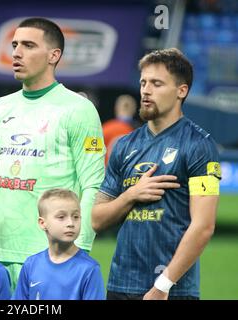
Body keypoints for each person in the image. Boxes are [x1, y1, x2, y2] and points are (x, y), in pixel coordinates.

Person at [0, 17, 105, 289]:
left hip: (50, 255)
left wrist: (78, 247)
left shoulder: (78, 110)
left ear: (54, 55)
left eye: (28, 45)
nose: (16, 52)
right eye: (14, 45)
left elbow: (92, 184)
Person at [91, 48, 220, 300]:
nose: (145, 90)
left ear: (181, 91)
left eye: (156, 83)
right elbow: (97, 219)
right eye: (143, 82)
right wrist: (131, 195)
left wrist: (163, 285)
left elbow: (203, 226)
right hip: (120, 285)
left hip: (172, 290)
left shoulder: (199, 146)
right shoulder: (125, 146)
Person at [13, 189, 105, 300]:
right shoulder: (31, 265)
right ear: (43, 223)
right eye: (61, 217)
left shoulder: (89, 269)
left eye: (76, 217)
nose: (70, 223)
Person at [102, 94, 139, 165]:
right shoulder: (141, 131)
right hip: (132, 173)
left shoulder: (105, 128)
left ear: (116, 108)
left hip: (108, 172)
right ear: (134, 109)